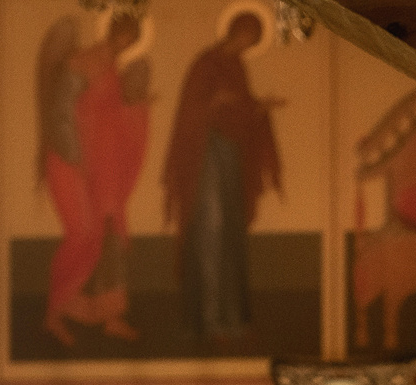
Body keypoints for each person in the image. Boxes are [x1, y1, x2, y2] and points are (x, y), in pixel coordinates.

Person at [164, 9, 284, 342]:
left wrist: (260, 108)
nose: (249, 45)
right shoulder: (205, 64)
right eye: (248, 37)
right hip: (205, 161)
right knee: (209, 234)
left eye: (255, 41)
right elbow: (190, 114)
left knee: (230, 234)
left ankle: (232, 319)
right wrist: (214, 103)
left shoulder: (236, 67)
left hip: (230, 161)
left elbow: (240, 112)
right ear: (235, 31)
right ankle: (207, 320)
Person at [37, 10, 152, 346]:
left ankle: (111, 316)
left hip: (105, 168)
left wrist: (134, 108)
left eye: (133, 38)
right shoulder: (82, 61)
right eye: (123, 35)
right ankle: (53, 315)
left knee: (111, 237)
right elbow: (60, 114)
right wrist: (79, 160)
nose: (126, 42)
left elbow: (106, 112)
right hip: (75, 164)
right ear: (112, 31)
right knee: (83, 237)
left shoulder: (112, 68)